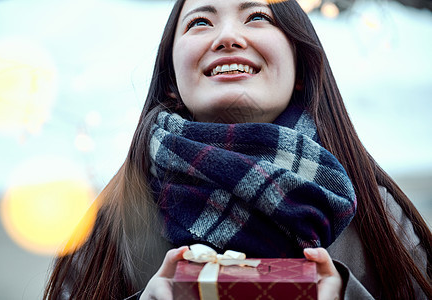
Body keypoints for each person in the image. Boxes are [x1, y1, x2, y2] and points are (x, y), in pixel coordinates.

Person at [43, 0, 431, 299]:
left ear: (301, 68)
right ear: (170, 82)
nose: (227, 37)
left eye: (257, 17)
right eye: (200, 22)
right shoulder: (114, 222)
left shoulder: (379, 215)